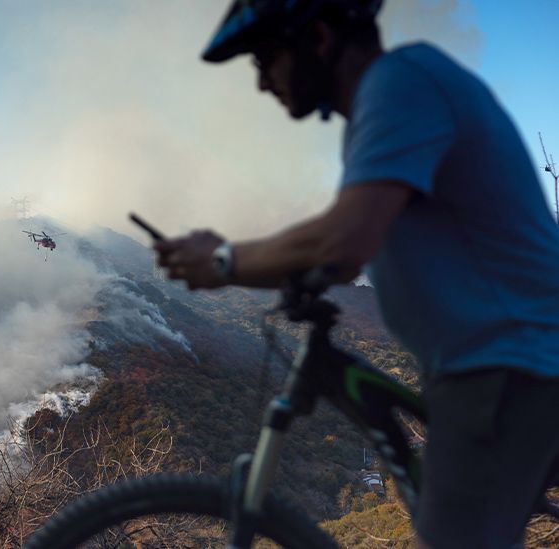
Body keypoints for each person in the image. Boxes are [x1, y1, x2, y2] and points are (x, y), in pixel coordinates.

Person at [153, 1, 559, 547]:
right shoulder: (387, 102)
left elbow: (345, 237)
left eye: (266, 59)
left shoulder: (401, 83)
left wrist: (224, 261)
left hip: (509, 366)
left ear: (318, 38)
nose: (261, 82)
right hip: (499, 365)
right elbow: (353, 247)